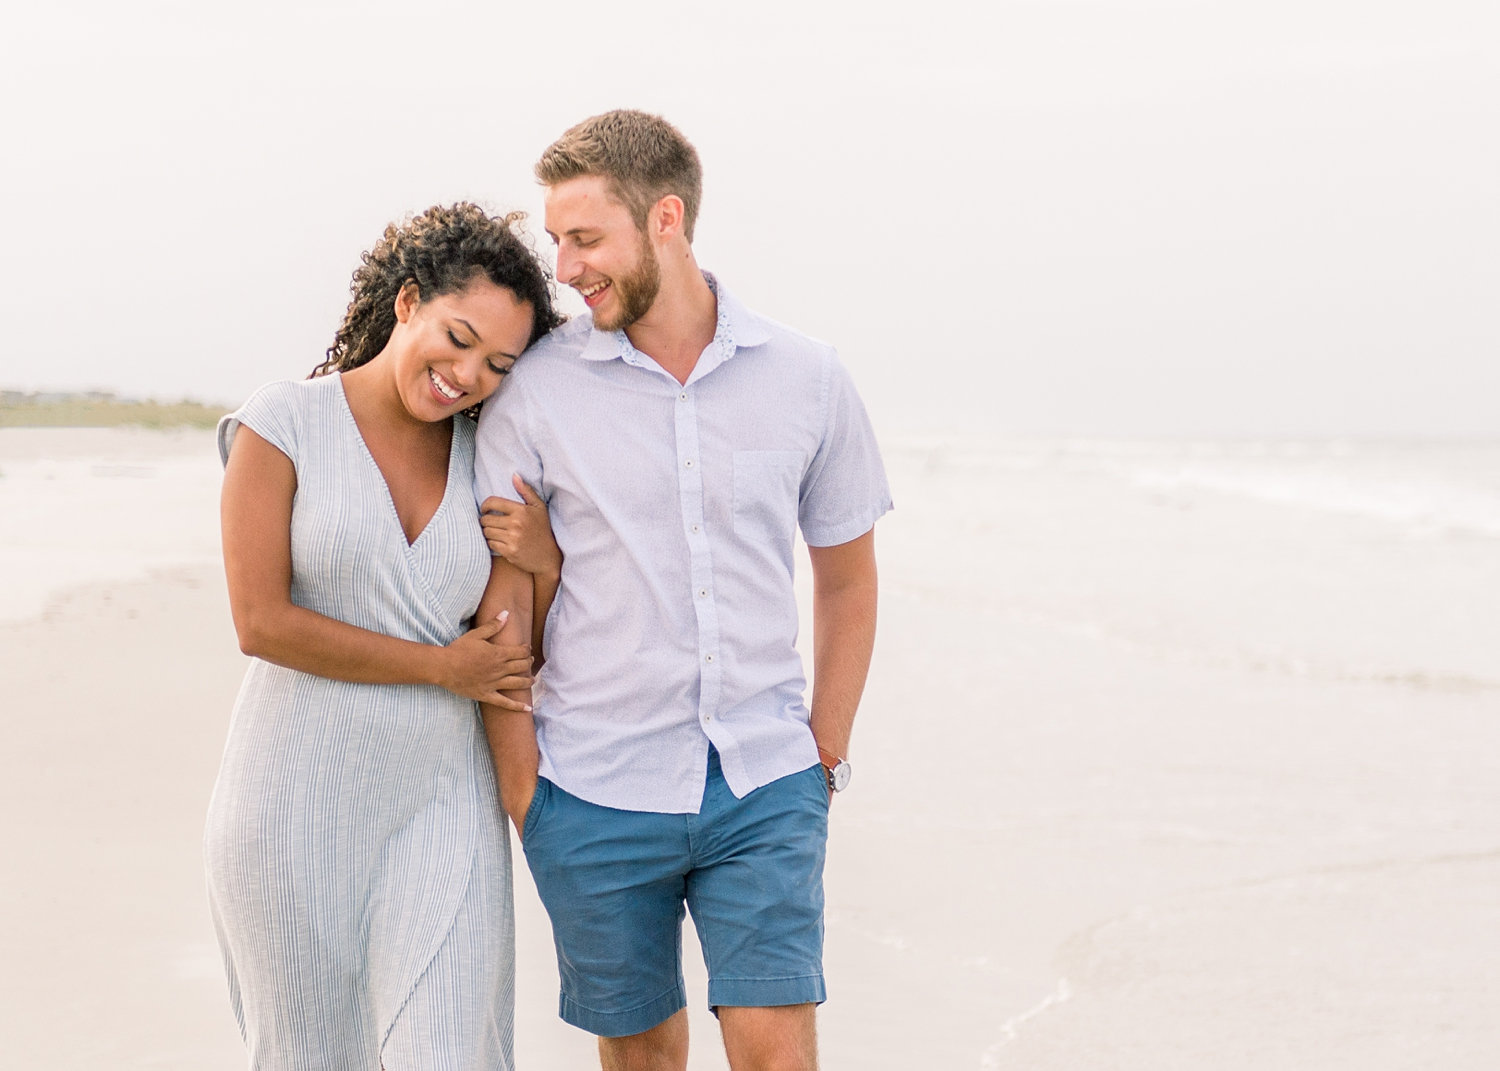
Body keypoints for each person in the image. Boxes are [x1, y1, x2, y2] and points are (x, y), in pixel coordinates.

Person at [472, 111, 892, 1071]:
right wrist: (525, 791)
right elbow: (506, 606)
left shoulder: (808, 378)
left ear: (666, 219)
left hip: (764, 778)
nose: (566, 267)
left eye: (586, 238)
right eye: (558, 242)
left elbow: (848, 577)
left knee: (775, 1051)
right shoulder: (535, 391)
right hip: (592, 785)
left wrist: (822, 752)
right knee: (643, 1058)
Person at [205, 202, 563, 1071]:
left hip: (444, 805)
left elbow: (510, 660)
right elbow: (260, 622)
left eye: (498, 364)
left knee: (455, 1053)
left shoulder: (492, 455)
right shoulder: (283, 422)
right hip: (292, 803)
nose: (468, 373)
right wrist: (440, 667)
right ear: (407, 303)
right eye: (459, 335)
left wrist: (546, 561)